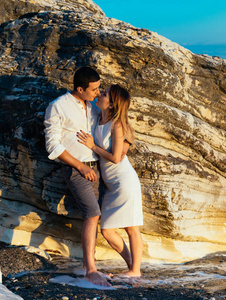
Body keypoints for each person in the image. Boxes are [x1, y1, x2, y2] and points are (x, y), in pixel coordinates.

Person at [44, 67, 128, 286]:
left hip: (96, 170)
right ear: (79, 89)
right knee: (92, 214)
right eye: (94, 89)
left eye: (100, 88)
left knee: (93, 216)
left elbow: (116, 122)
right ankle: (91, 270)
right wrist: (81, 167)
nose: (98, 93)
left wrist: (126, 144)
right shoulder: (58, 106)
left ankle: (86, 266)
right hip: (76, 170)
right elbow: (52, 145)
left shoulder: (93, 107)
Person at [77, 84, 143, 277]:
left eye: (104, 94)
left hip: (124, 181)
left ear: (112, 104)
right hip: (112, 185)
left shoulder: (117, 126)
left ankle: (135, 271)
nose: (100, 94)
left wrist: (93, 146)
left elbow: (115, 158)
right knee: (107, 230)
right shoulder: (98, 118)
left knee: (131, 228)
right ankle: (132, 266)